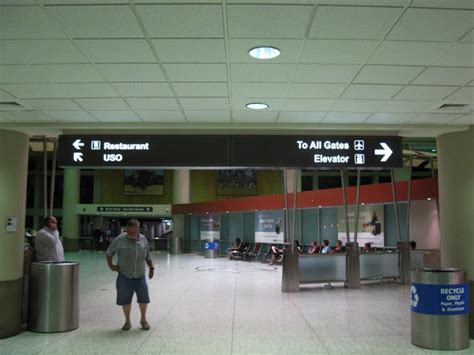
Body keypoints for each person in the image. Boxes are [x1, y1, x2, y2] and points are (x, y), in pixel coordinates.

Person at [106, 219, 154, 331]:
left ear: (138, 229)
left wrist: (151, 268)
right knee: (125, 300)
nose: (132, 234)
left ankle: (143, 320)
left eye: (134, 231)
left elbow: (147, 255)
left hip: (140, 275)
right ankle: (127, 321)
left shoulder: (143, 239)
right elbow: (109, 252)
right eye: (130, 232)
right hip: (124, 275)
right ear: (126, 229)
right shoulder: (120, 239)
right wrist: (110, 265)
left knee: (144, 299)